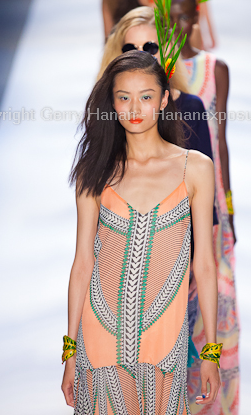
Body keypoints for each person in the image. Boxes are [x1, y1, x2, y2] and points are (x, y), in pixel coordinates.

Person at [62, 49, 221, 413]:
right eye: (124, 97)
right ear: (113, 104)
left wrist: (211, 351)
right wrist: (70, 350)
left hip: (166, 334)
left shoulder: (194, 168)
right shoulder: (95, 170)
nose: (135, 108)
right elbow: (83, 263)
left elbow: (205, 265)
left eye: (146, 96)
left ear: (164, 99)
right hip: (100, 327)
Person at [169, 0, 239, 415]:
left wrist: (228, 208)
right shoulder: (158, 73)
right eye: (165, 19)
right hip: (177, 208)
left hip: (213, 211)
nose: (173, 28)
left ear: (194, 18)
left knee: (219, 302)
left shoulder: (217, 70)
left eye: (179, 18)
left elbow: (222, 141)